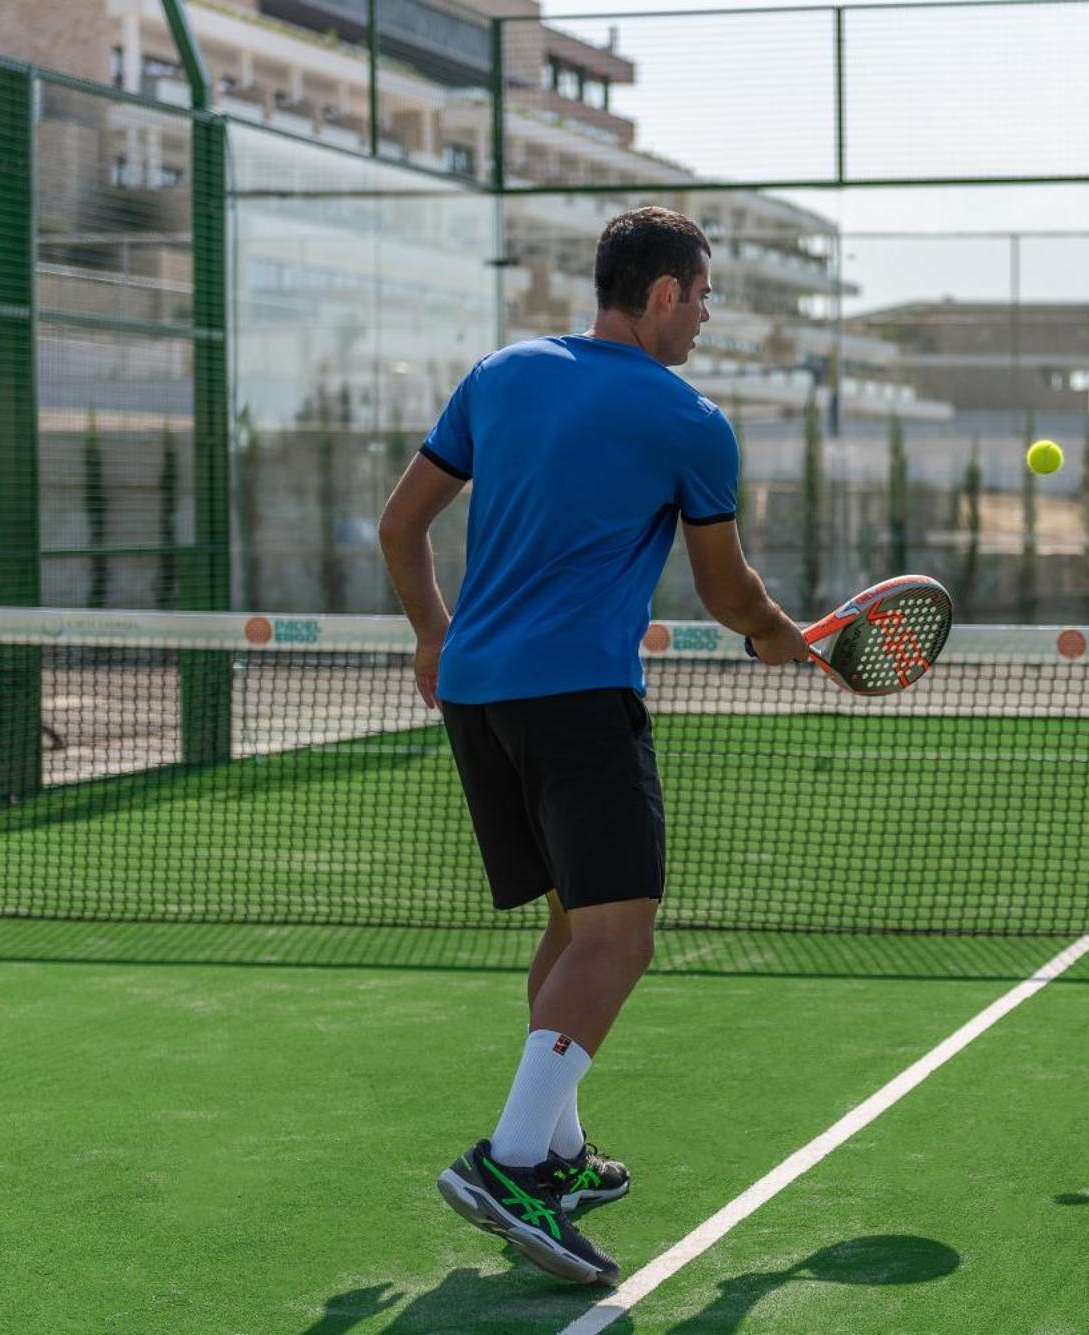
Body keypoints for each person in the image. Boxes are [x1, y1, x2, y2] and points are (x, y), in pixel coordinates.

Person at [377, 206, 807, 1285]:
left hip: (477, 696)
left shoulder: (500, 373)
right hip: (577, 698)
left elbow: (399, 526)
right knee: (620, 941)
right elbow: (722, 591)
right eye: (703, 295)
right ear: (661, 293)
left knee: (576, 926)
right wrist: (778, 637)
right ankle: (509, 1160)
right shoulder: (690, 419)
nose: (707, 316)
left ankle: (560, 1152)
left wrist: (434, 634)